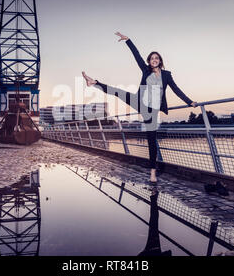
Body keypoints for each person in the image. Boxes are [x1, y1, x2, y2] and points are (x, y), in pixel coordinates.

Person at [82, 32, 197, 183]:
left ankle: (153, 174)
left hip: (152, 110)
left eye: (157, 58)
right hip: (139, 101)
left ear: (160, 61)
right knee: (118, 92)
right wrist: (128, 40)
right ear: (149, 61)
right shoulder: (146, 70)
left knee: (151, 141)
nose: (154, 60)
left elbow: (176, 89)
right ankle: (94, 82)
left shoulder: (167, 75)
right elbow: (136, 55)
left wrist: (189, 102)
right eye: (152, 58)